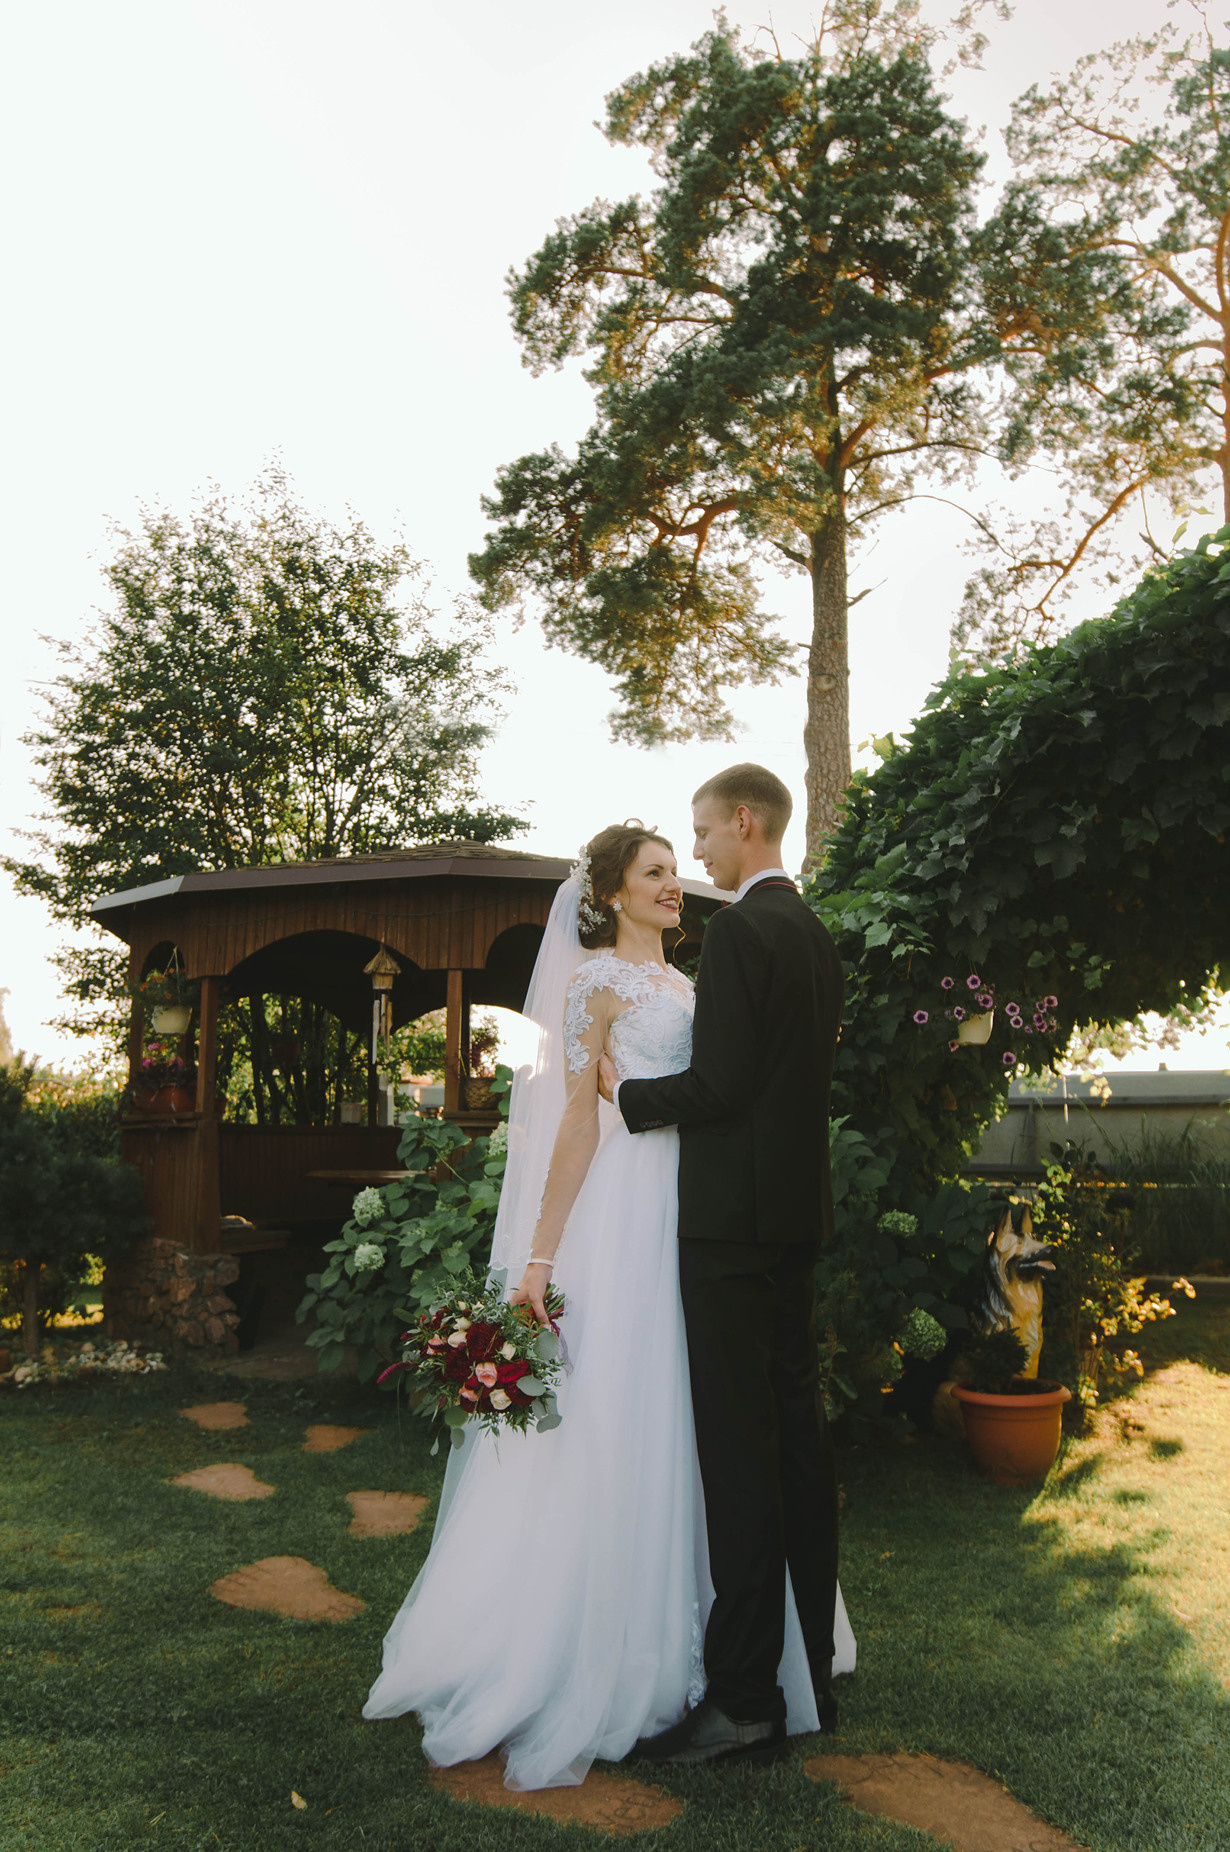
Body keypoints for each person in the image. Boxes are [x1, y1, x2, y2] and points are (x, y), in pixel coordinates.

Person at [362, 815, 854, 1791]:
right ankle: (620, 1648)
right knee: (630, 1414)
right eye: (655, 871)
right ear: (613, 892)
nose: (675, 884)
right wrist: (540, 1257)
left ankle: (727, 1648)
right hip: (628, 1215)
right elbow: (576, 1126)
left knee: (706, 1426)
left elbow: (722, 1087)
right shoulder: (594, 985)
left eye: (677, 866)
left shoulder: (695, 983)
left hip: (703, 1210)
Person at [598, 764, 845, 1768]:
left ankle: (744, 1700)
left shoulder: (742, 931)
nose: (697, 851)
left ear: (745, 821)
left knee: (740, 1461)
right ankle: (809, 1670)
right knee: (799, 1449)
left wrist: (629, 1097)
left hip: (731, 1231)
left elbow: (722, 1084)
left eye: (702, 832)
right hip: (793, 1221)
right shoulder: (814, 932)